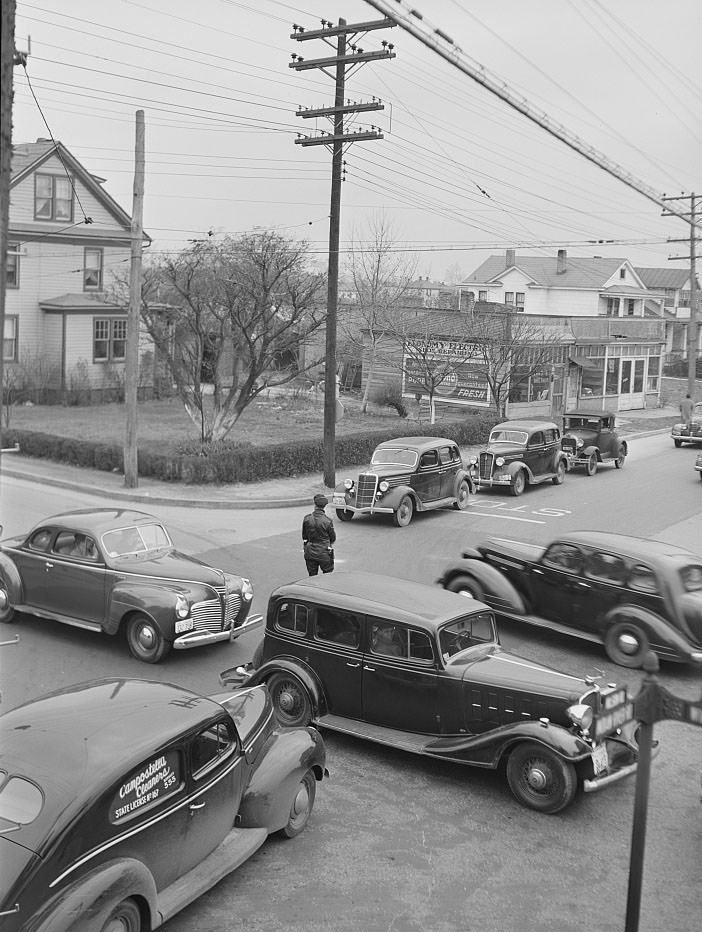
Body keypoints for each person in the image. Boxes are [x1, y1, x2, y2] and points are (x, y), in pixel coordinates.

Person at [302, 494, 336, 575]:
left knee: (312, 577)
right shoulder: (327, 521)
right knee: (327, 576)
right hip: (324, 553)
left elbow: (304, 536)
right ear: (324, 506)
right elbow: (333, 538)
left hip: (310, 552)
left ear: (315, 504)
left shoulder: (307, 519)